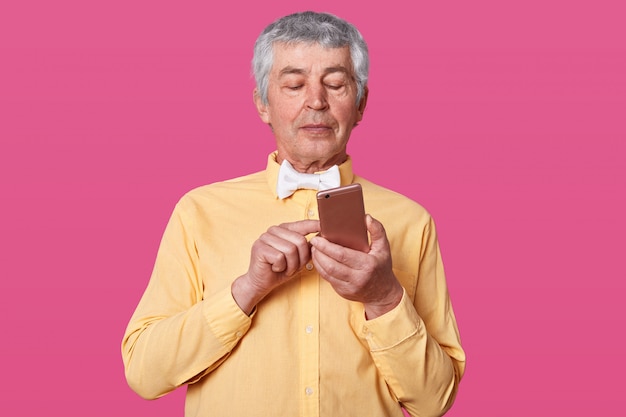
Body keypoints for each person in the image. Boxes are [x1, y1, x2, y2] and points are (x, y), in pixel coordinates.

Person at [122, 11, 465, 417]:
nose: (316, 101)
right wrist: (246, 289)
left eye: (335, 84)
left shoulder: (411, 220)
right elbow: (145, 373)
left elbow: (434, 401)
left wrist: (383, 295)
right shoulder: (199, 212)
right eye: (294, 84)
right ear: (263, 104)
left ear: (360, 104)